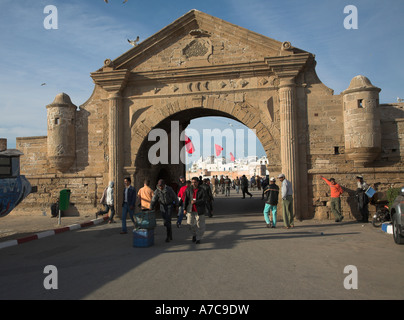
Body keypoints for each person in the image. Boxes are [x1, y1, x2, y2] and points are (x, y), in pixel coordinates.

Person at [184, 177, 207, 244]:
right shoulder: (188, 189)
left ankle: (198, 238)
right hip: (190, 209)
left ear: (198, 182)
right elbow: (186, 200)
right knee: (189, 224)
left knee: (200, 225)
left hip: (199, 210)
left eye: (195, 182)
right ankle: (194, 234)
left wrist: (196, 201)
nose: (194, 183)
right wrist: (184, 208)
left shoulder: (202, 190)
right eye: (192, 182)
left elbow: (204, 199)